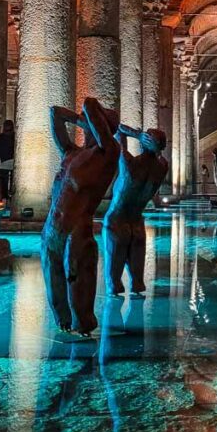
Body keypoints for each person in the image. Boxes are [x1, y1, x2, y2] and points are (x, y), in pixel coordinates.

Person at [41, 97, 120, 335]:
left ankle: (84, 330)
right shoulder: (71, 153)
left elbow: (89, 103)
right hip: (51, 229)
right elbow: (55, 112)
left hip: (77, 231)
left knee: (77, 286)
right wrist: (81, 121)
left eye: (92, 123)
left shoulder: (108, 153)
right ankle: (63, 329)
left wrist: (88, 120)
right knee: (55, 292)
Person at [102, 125, 168, 296]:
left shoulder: (129, 164)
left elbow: (118, 130)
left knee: (114, 284)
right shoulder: (161, 168)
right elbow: (159, 154)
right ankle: (137, 298)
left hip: (117, 222)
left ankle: (114, 315)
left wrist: (137, 134)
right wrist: (150, 141)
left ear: (144, 142)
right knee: (138, 284)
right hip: (137, 224)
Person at [0, 119, 15, 201]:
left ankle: (8, 195)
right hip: (6, 160)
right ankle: (5, 195)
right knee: (4, 178)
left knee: (10, 178)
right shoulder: (2, 136)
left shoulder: (13, 136)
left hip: (11, 160)